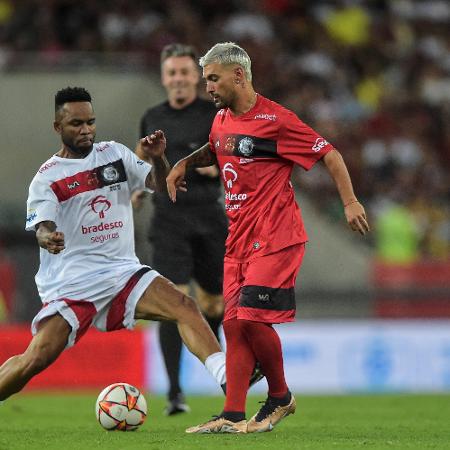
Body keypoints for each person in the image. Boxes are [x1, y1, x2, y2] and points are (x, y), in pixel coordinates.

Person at [166, 42, 370, 434]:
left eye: (212, 78)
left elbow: (330, 154)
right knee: (232, 324)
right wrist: (183, 164)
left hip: (275, 234)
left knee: (252, 318)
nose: (206, 86)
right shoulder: (222, 119)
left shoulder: (277, 119)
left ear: (238, 76)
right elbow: (216, 149)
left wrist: (350, 202)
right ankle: (233, 413)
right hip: (237, 239)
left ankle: (280, 396)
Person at [0, 86, 228, 404]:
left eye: (90, 122)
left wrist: (159, 156)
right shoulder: (46, 178)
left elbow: (161, 187)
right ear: (57, 127)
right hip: (73, 282)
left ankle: (229, 379)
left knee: (185, 306)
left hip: (122, 272)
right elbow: (42, 226)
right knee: (34, 360)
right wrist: (47, 237)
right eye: (76, 123)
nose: (86, 130)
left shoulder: (115, 155)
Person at [134, 43, 228, 416]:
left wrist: (214, 168)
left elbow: (236, 159)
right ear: (163, 78)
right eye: (172, 73)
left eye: (185, 72)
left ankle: (217, 360)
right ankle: (174, 393)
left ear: (198, 77)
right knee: (173, 302)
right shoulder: (152, 117)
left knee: (213, 302)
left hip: (209, 217)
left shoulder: (215, 115)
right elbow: (140, 159)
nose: (178, 79)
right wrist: (137, 189)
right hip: (169, 219)